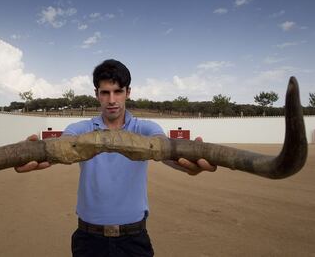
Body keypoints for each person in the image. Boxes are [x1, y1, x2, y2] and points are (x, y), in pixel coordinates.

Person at [15, 59, 216, 257]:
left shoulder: (145, 128)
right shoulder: (79, 129)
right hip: (88, 240)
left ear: (128, 92)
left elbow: (165, 152)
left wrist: (189, 166)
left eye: (118, 91)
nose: (112, 100)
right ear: (97, 94)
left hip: (134, 239)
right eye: (105, 92)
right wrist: (37, 155)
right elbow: (64, 146)